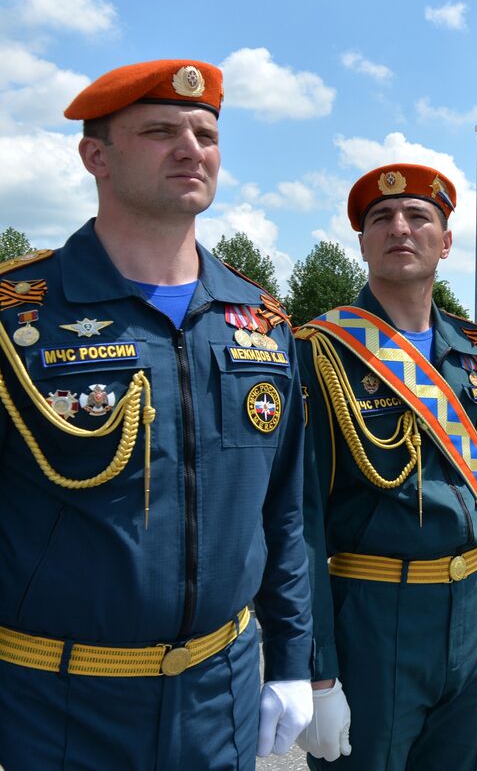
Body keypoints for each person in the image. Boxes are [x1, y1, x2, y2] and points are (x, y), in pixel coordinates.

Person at [0, 60, 313, 768]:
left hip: (220, 692)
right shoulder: (20, 315)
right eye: (160, 131)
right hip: (54, 700)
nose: (190, 148)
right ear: (96, 156)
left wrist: (292, 659)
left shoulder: (262, 323)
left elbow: (284, 513)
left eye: (205, 133)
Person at [295, 165, 477, 768]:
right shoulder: (318, 353)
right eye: (381, 219)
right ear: (363, 242)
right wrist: (314, 672)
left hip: (474, 611)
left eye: (419, 217)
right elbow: (301, 525)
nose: (401, 227)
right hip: (373, 615)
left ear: (446, 242)